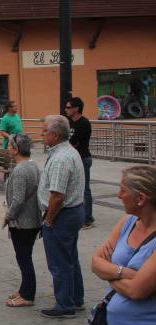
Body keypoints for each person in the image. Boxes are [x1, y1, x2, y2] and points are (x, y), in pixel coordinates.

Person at [91, 165, 156, 325]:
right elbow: (95, 262)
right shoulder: (128, 222)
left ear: (141, 199)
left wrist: (110, 272)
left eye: (123, 190)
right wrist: (124, 273)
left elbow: (138, 291)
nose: (119, 195)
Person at [38, 115, 86, 319]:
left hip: (62, 215)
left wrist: (48, 220)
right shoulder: (67, 151)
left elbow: (57, 196)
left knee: (59, 262)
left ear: (55, 135)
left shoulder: (60, 158)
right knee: (70, 258)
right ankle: (75, 298)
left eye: (44, 131)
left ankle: (65, 304)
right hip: (72, 212)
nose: (41, 134)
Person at [3, 134, 42, 308]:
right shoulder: (32, 165)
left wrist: (8, 216)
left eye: (10, 145)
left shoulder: (20, 170)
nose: (8, 148)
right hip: (32, 220)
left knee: (24, 258)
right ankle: (24, 288)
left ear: (17, 148)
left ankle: (28, 294)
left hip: (23, 222)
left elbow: (18, 199)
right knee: (25, 256)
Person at [65, 97, 94, 229]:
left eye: (68, 107)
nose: (66, 110)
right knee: (75, 187)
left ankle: (87, 218)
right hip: (73, 159)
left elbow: (74, 142)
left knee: (84, 189)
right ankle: (79, 214)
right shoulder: (70, 123)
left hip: (82, 159)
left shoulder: (83, 123)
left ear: (76, 109)